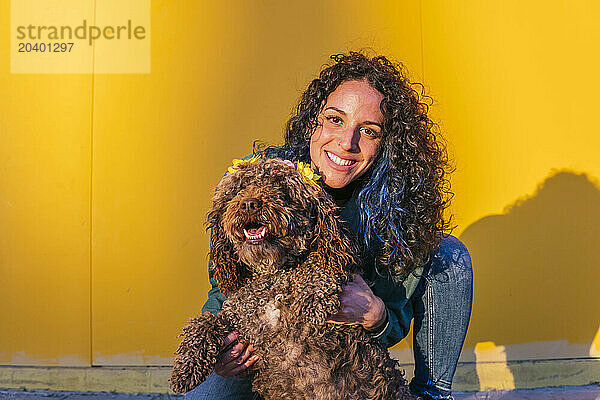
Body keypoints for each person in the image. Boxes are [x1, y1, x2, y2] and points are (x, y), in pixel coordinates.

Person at [185, 52, 473, 400]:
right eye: (335, 120)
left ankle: (433, 394)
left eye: (368, 131)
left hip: (339, 361)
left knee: (448, 255)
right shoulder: (254, 179)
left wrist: (375, 313)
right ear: (312, 124)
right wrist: (221, 349)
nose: (346, 143)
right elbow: (226, 284)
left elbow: (390, 330)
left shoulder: (398, 211)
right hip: (263, 344)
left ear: (387, 145)